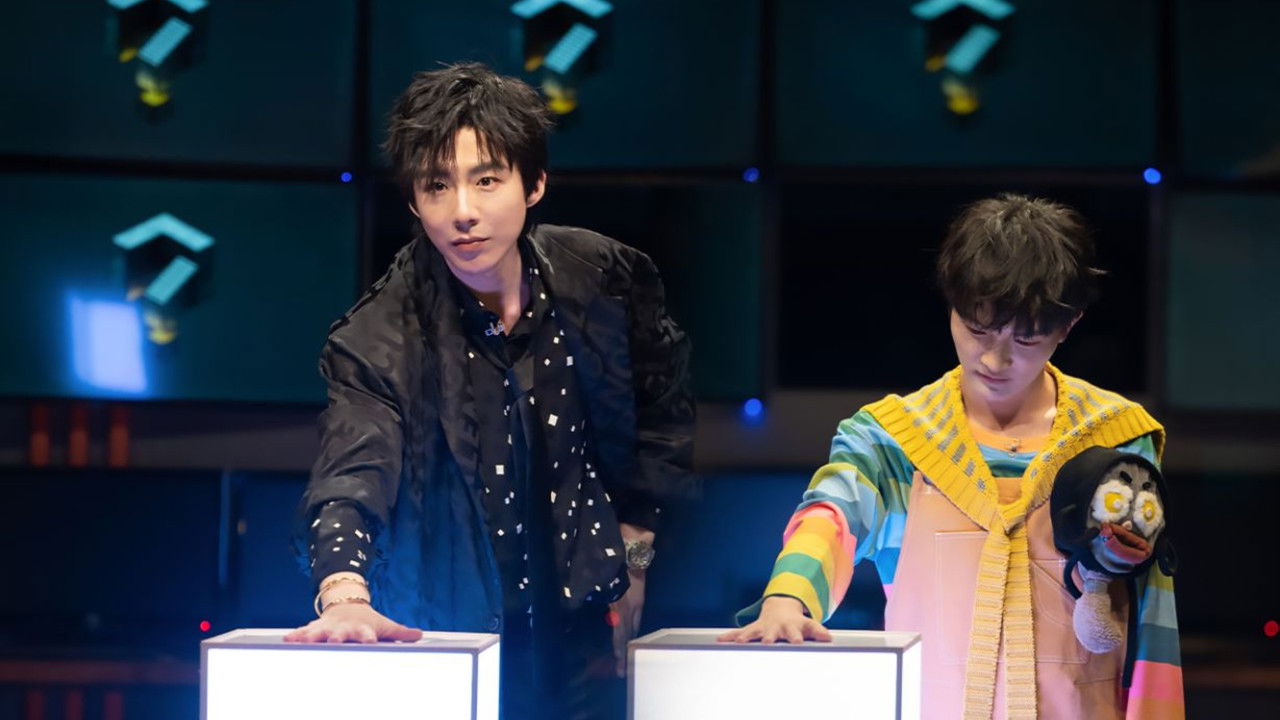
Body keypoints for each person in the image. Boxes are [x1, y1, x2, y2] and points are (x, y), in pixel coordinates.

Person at [285, 62, 696, 720]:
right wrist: (343, 594)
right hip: (446, 637)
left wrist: (635, 553)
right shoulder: (376, 337)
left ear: (534, 184)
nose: (463, 212)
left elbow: (660, 409)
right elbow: (350, 471)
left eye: (486, 180)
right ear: (414, 201)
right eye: (437, 185)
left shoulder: (604, 278)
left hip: (580, 626)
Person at [721, 194, 1182, 720]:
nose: (995, 359)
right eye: (977, 328)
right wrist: (788, 597)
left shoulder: (1118, 438)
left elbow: (1153, 611)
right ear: (952, 304)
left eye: (1026, 339)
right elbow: (832, 514)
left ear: (1068, 325)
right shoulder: (894, 439)